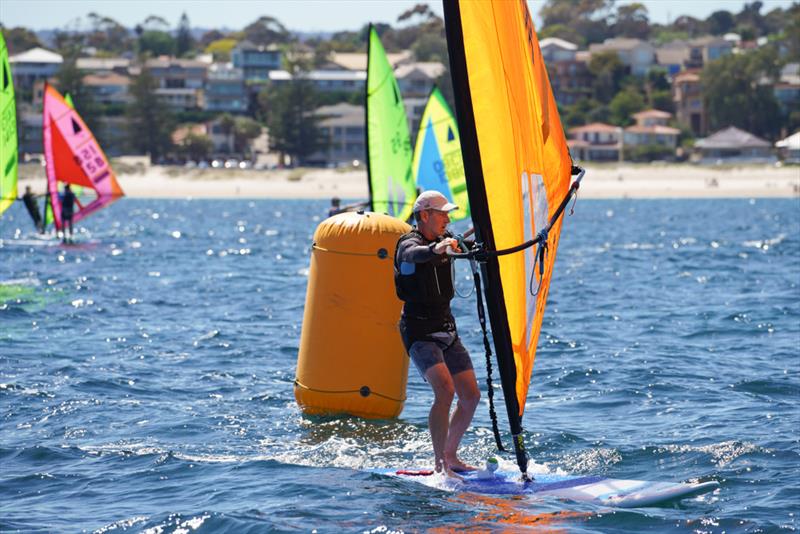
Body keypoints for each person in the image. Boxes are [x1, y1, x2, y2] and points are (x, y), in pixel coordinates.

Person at [394, 190, 480, 477]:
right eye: (442, 213)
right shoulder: (409, 243)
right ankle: (440, 466)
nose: (448, 218)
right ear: (425, 215)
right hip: (419, 332)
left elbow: (468, 247)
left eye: (448, 214)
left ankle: (451, 456)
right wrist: (436, 250)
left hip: (446, 327)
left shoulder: (447, 239)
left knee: (471, 396)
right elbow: (412, 255)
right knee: (445, 390)